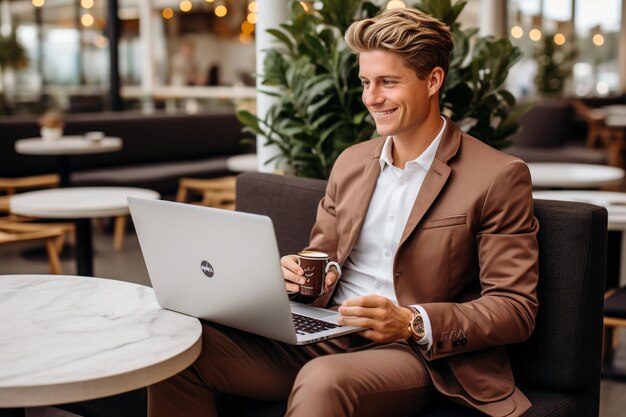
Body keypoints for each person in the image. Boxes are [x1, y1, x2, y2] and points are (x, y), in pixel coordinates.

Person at [148, 8, 538, 417]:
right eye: (366, 82)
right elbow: (323, 257)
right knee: (181, 349)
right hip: (329, 330)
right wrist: (300, 278)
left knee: (323, 380)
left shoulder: (496, 176)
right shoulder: (352, 163)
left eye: (388, 82)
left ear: (433, 81)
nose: (372, 98)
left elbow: (514, 307)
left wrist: (410, 321)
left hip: (415, 353)